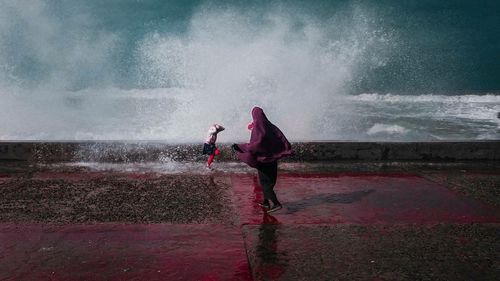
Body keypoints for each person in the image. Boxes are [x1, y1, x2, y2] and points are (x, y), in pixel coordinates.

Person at [232, 107, 294, 213]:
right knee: (268, 181)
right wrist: (286, 149)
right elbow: (281, 138)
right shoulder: (271, 126)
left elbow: (254, 146)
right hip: (272, 159)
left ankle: (275, 203)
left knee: (266, 183)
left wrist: (239, 147)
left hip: (263, 161)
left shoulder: (258, 128)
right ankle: (266, 202)